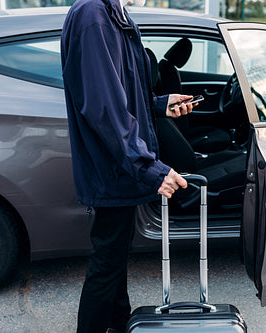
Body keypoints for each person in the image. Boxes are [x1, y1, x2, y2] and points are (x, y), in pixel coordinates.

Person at [61, 0, 196, 332]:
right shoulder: (94, 14)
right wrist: (149, 168)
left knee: (114, 258)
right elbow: (104, 108)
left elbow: (118, 93)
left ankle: (120, 324)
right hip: (114, 165)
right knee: (107, 264)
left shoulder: (109, 12)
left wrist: (159, 104)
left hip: (117, 165)